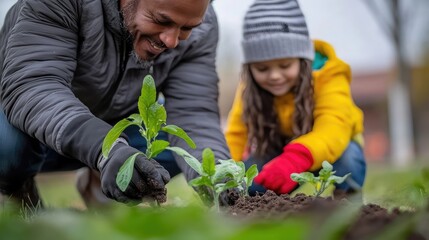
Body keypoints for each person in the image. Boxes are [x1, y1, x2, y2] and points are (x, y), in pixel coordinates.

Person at [0, 0, 231, 208]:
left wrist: (219, 176)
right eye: (161, 20)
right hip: (31, 125)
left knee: (175, 148)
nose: (171, 41)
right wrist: (105, 149)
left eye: (186, 28)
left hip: (111, 132)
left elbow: (194, 113)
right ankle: (16, 194)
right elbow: (35, 86)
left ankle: (100, 186)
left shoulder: (203, 23)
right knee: (6, 147)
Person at [224, 0, 366, 196]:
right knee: (249, 183)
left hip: (331, 148)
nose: (274, 76)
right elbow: (237, 133)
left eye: (285, 66)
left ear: (302, 60)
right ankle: (265, 212)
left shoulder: (329, 75)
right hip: (279, 150)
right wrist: (226, 173)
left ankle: (348, 206)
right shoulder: (250, 87)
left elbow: (334, 126)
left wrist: (295, 160)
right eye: (262, 68)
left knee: (349, 158)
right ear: (250, 69)